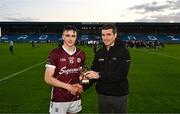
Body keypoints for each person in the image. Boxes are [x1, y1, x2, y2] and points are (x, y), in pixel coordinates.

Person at [84, 24, 131, 113]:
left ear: (115, 35)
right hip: (103, 95)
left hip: (119, 95)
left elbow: (120, 75)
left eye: (108, 34)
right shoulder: (99, 53)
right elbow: (94, 73)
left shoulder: (124, 52)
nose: (105, 38)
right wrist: (82, 85)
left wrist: (99, 75)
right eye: (103, 35)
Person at [44, 25, 86, 114]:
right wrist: (69, 87)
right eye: (67, 35)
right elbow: (48, 78)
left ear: (76, 37)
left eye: (73, 36)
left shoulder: (81, 54)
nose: (70, 39)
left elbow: (82, 74)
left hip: (75, 96)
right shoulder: (55, 53)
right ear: (62, 37)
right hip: (59, 98)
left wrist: (82, 84)